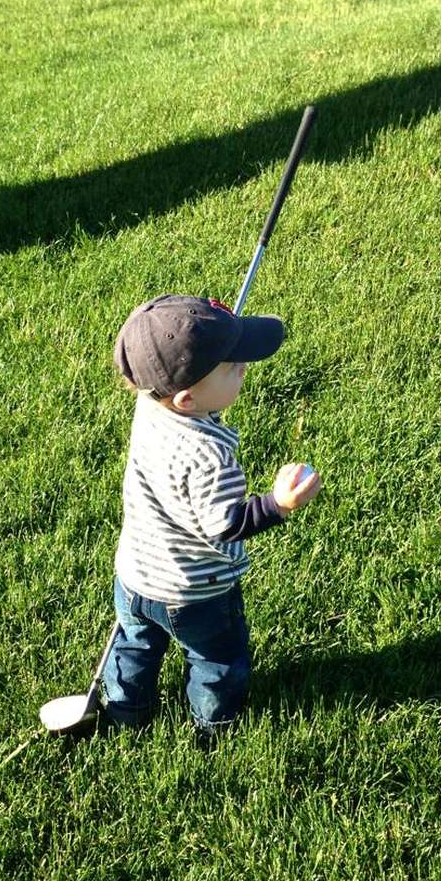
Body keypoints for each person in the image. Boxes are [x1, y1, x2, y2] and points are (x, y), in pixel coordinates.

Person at [101, 294, 321, 741]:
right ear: (185, 399)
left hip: (136, 577)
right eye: (231, 366)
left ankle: (126, 710)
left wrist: (214, 351)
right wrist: (279, 504)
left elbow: (183, 384)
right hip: (195, 594)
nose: (243, 368)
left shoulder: (149, 403)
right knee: (217, 660)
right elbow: (225, 525)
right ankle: (213, 725)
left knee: (135, 645)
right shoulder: (209, 457)